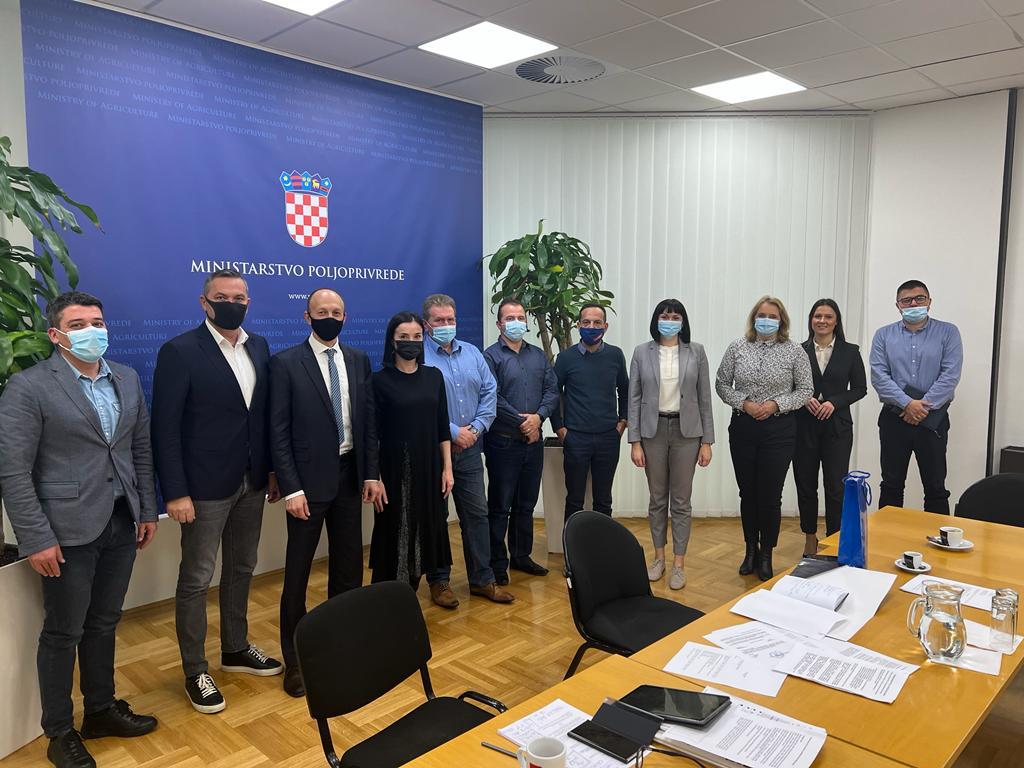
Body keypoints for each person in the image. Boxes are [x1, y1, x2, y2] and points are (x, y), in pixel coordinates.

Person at [0, 291, 159, 768]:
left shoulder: (126, 378)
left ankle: (101, 709)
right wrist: (36, 538)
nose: (92, 331)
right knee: (63, 631)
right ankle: (59, 732)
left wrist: (147, 509)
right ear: (56, 335)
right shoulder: (28, 387)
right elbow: (14, 470)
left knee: (105, 621)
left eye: (97, 322)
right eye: (78, 324)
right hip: (65, 531)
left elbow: (140, 449)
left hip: (121, 520)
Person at [151, 269, 282, 716]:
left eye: (239, 297)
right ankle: (195, 669)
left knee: (242, 566)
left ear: (249, 302)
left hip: (251, 480)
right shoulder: (180, 351)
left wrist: (270, 470)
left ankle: (235, 647)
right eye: (222, 297)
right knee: (196, 578)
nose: (232, 303)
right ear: (204, 302)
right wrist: (175, 492)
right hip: (203, 487)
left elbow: (261, 417)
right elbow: (165, 428)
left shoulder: (259, 346)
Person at [269, 288, 384, 698]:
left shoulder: (358, 360)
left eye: (336, 311)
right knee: (297, 574)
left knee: (348, 568)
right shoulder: (285, 363)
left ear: (345, 317)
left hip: (350, 477)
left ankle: (342, 644)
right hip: (307, 484)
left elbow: (367, 423)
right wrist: (291, 488)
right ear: (307, 316)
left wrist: (371, 473)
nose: (329, 317)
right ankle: (296, 660)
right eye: (322, 311)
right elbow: (278, 432)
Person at [422, 294, 513, 606]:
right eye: (439, 320)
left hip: (471, 449)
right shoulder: (419, 356)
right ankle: (439, 581)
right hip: (434, 451)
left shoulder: (472, 353)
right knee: (436, 518)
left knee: (477, 515)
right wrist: (453, 432)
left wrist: (475, 429)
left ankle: (482, 580)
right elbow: (421, 403)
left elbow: (490, 391)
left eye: (450, 320)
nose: (446, 325)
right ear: (426, 324)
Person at [716, 296, 812, 581]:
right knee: (748, 493)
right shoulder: (737, 347)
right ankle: (750, 550)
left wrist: (775, 405)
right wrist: (744, 403)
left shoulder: (794, 351)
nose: (766, 320)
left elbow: (805, 390)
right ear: (753, 318)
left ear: (781, 321)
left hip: (779, 431)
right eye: (762, 315)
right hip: (743, 428)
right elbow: (721, 383)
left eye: (772, 316)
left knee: (770, 495)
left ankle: (767, 553)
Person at [627, 299, 715, 590]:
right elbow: (634, 399)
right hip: (652, 432)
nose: (670, 321)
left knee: (681, 501)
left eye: (676, 317)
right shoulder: (642, 352)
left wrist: (707, 441)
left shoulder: (696, 351)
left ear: (683, 322)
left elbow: (704, 399)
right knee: (657, 499)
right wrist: (635, 441)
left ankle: (679, 563)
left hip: (686, 433)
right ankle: (658, 558)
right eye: (665, 316)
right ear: (656, 320)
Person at [369, 312, 454, 587]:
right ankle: (389, 596)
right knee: (395, 533)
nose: (411, 342)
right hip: (394, 471)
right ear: (392, 341)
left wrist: (447, 469)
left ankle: (412, 592)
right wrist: (375, 477)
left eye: (417, 336)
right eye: (403, 337)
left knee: (424, 532)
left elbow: (442, 426)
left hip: (429, 468)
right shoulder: (379, 381)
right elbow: (372, 434)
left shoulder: (434, 377)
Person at [483, 298, 559, 584]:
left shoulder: (537, 355)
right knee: (500, 506)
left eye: (520, 317)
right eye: (510, 318)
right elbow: (492, 396)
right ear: (499, 324)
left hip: (533, 443)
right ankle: (496, 563)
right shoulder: (490, 357)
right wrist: (522, 422)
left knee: (526, 503)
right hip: (503, 442)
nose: (516, 322)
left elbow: (552, 390)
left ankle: (521, 555)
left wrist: (538, 418)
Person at [870, 280, 963, 513]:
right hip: (894, 418)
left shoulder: (948, 332)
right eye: (906, 300)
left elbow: (950, 375)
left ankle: (937, 537)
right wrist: (908, 404)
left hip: (933, 420)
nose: (913, 304)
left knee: (935, 487)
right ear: (897, 305)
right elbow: (879, 376)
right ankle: (890, 536)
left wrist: (922, 407)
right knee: (891, 485)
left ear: (929, 302)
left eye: (919, 298)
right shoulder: (883, 335)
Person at [793, 299, 867, 555]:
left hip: (838, 428)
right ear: (811, 320)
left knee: (836, 487)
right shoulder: (798, 351)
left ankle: (834, 539)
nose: (822, 321)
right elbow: (789, 385)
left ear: (836, 322)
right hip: (804, 426)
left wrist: (835, 402)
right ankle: (809, 538)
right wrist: (805, 398)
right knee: (806, 484)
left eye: (828, 316)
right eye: (817, 316)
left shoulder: (850, 351)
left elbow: (860, 389)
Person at [551, 303, 629, 518]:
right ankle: (571, 541)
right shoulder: (565, 358)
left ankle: (601, 541)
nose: (591, 327)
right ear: (578, 325)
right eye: (586, 322)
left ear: (606, 326)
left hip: (608, 437)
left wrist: (622, 422)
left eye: (597, 322)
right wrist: (559, 428)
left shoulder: (615, 355)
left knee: (603, 500)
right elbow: (553, 393)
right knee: (574, 500)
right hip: (576, 438)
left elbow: (625, 390)